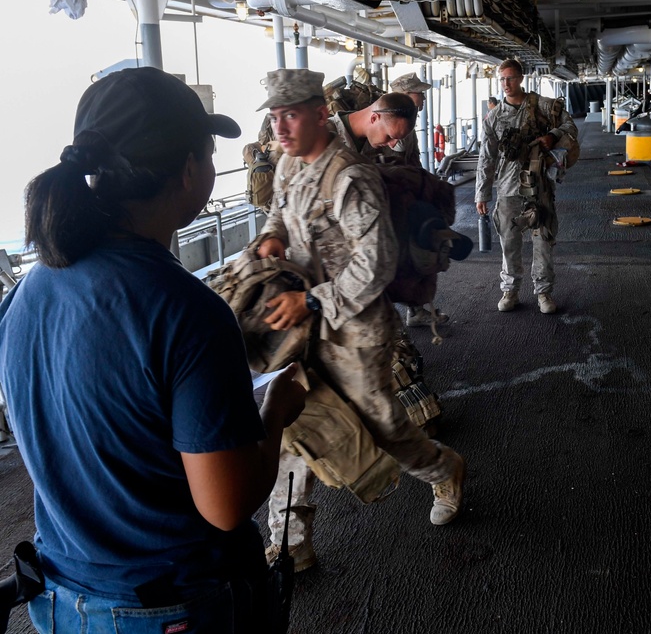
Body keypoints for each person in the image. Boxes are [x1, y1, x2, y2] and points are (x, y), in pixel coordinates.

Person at [0, 67, 305, 632]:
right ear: (190, 170)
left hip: (62, 600)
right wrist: (276, 412)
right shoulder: (186, 312)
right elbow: (227, 505)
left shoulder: (26, 291)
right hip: (169, 607)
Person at [254, 69, 466, 572]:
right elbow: (279, 212)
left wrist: (311, 301)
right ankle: (290, 543)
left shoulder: (350, 177)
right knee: (291, 425)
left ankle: (442, 466)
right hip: (305, 325)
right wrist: (272, 236)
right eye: (273, 116)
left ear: (320, 112)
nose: (279, 128)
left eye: (290, 115)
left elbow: (378, 262)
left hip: (355, 327)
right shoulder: (286, 164)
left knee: (383, 426)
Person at [475, 58, 578, 314]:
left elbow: (570, 126)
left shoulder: (543, 106)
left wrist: (552, 136)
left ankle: (543, 292)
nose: (505, 84)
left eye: (510, 78)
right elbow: (486, 157)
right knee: (508, 241)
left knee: (542, 238)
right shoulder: (494, 117)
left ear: (520, 78)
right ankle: (510, 290)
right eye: (502, 79)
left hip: (539, 184)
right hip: (508, 187)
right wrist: (482, 193)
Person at [387, 71, 452, 328]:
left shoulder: (407, 123)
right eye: (418, 93)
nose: (423, 97)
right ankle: (392, 321)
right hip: (397, 202)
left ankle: (415, 310)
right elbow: (395, 164)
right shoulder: (395, 123)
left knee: (416, 257)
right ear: (404, 94)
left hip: (408, 199)